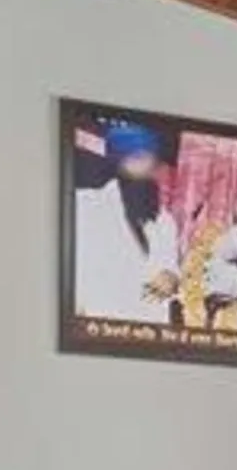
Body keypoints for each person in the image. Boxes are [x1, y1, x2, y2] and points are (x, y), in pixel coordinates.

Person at [69, 115, 179, 329]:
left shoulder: (164, 219)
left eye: (150, 158)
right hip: (99, 324)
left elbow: (170, 265)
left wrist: (171, 277)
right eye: (136, 157)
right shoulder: (86, 203)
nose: (146, 166)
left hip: (150, 330)